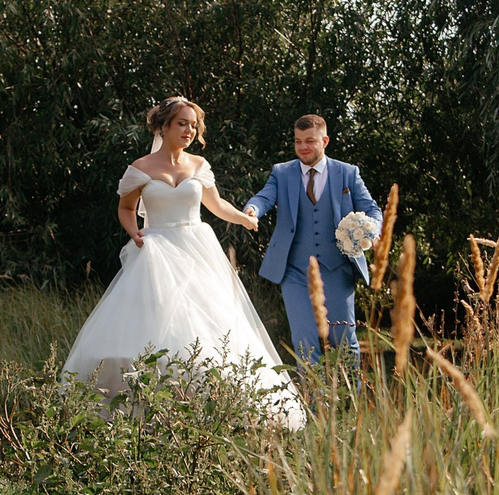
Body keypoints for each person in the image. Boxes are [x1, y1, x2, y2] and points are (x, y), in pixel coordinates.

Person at [61, 97, 305, 427]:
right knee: (157, 330)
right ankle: (147, 408)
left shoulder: (198, 165)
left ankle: (214, 410)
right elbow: (125, 209)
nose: (189, 130)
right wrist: (135, 234)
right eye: (182, 123)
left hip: (196, 249)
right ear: (163, 126)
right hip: (156, 250)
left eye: (194, 124)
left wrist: (244, 219)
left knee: (210, 326)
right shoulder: (142, 168)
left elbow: (216, 205)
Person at [241, 113, 381, 377]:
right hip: (295, 271)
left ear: (324, 140)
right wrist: (252, 210)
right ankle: (314, 410)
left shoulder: (347, 173)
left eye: (309, 141)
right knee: (304, 343)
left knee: (345, 341)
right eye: (297, 142)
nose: (303, 147)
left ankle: (350, 409)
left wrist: (373, 233)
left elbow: (371, 209)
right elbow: (264, 197)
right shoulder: (282, 173)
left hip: (337, 267)